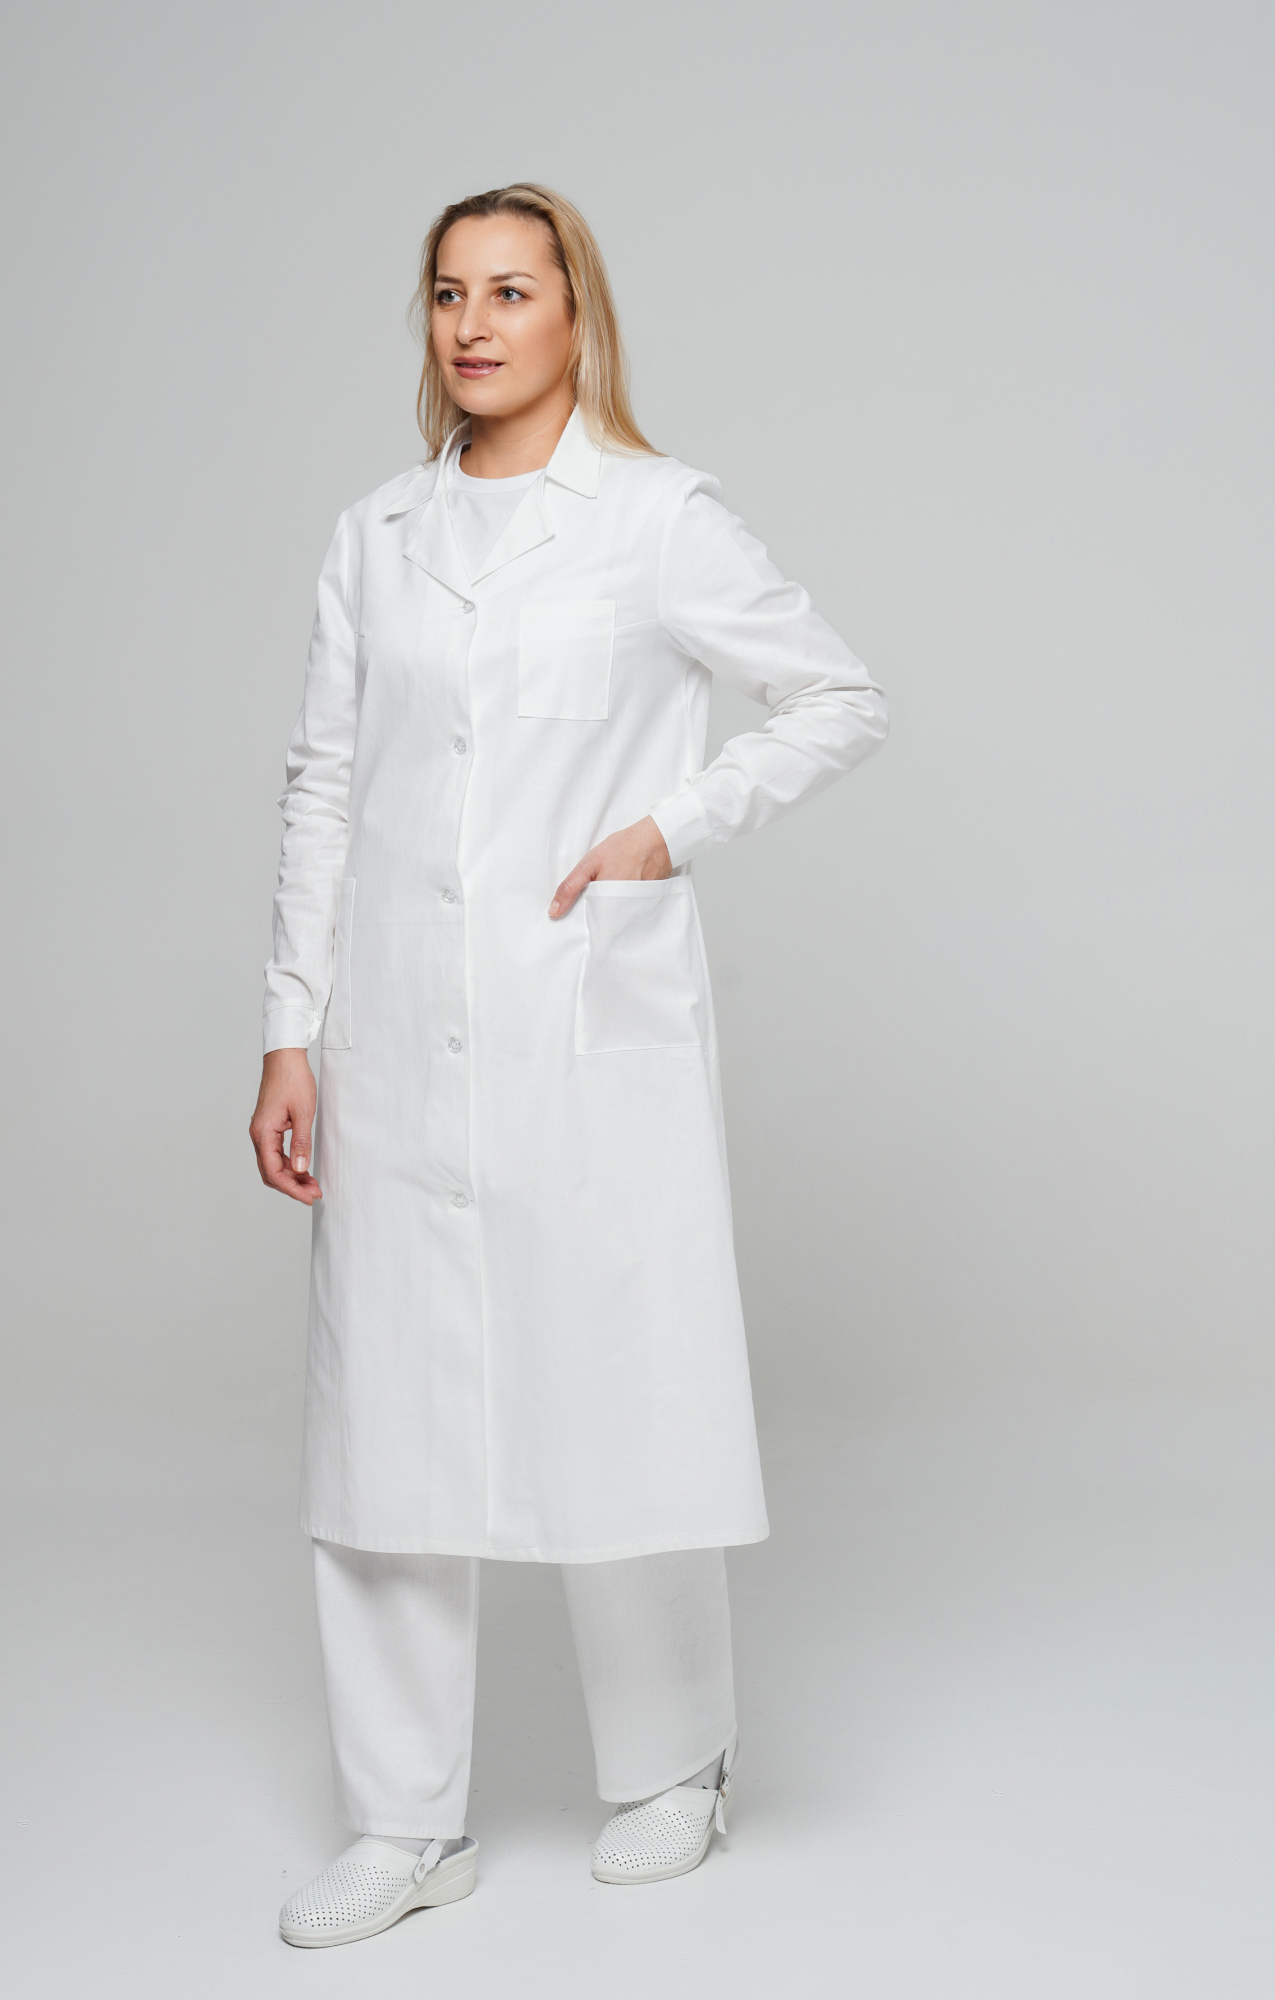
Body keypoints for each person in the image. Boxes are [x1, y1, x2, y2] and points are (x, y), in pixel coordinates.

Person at [250, 183, 887, 1949]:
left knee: (624, 1376)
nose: (474, 325)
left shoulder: (658, 519)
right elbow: (321, 786)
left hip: (581, 1025)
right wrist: (291, 1026)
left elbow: (837, 697)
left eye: (511, 292)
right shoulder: (374, 536)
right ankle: (405, 1818)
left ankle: (674, 1765)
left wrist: (669, 830)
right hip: (391, 1031)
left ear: (576, 317)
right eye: (448, 294)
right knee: (386, 1409)